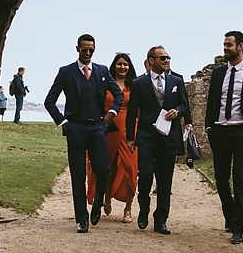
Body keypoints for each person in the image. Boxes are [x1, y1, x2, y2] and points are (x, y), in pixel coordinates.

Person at [44, 35, 124, 233]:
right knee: (78, 175)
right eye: (84, 50)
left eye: (91, 50)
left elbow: (119, 95)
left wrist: (111, 114)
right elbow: (49, 101)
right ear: (77, 49)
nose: (88, 54)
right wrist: (63, 122)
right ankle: (82, 219)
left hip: (98, 127)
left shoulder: (102, 71)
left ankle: (97, 205)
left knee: (103, 170)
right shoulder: (66, 72)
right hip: (76, 129)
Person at [204, 31, 243, 244]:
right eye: (224, 44)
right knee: (221, 179)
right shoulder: (218, 73)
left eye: (229, 45)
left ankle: (238, 227)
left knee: (240, 178)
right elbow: (212, 101)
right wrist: (209, 127)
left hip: (242, 131)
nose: (225, 48)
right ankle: (229, 217)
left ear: (240, 46)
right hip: (220, 131)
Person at [125, 45, 190, 235]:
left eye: (168, 58)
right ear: (151, 61)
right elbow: (131, 113)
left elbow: (184, 105)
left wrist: (177, 111)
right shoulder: (139, 84)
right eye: (162, 58)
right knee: (145, 176)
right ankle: (144, 209)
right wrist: (130, 137)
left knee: (165, 181)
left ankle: (161, 220)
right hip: (146, 138)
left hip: (169, 139)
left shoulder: (177, 81)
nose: (166, 61)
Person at [85, 53, 140, 222]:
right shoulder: (105, 85)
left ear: (130, 67)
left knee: (130, 168)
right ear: (114, 66)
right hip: (108, 130)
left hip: (129, 130)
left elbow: (139, 110)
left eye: (125, 64)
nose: (122, 67)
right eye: (119, 64)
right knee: (106, 167)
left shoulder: (134, 86)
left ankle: (128, 208)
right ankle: (106, 196)